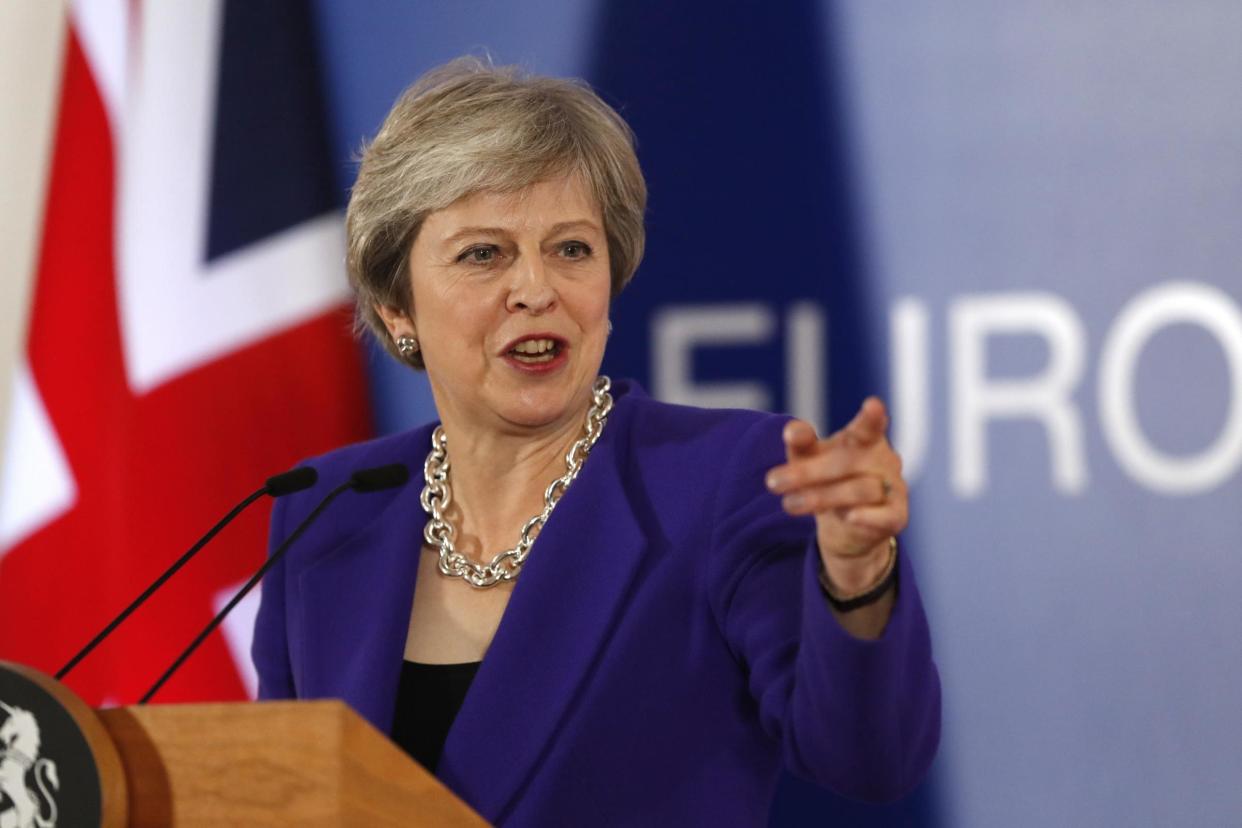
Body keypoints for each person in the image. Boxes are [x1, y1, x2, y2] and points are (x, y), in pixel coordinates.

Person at [252, 57, 939, 826]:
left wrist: (857, 578)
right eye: (485, 254)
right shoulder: (327, 512)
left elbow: (870, 759)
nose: (536, 289)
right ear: (394, 306)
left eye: (571, 249)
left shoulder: (721, 483)